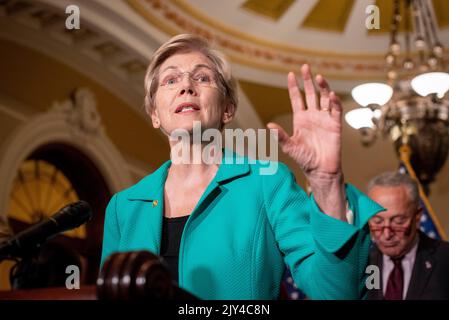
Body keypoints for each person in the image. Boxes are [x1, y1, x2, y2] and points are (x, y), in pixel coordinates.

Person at [100, 34, 383, 300]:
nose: (186, 86)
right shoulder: (122, 207)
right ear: (155, 115)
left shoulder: (268, 183)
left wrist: (327, 181)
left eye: (202, 77)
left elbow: (335, 292)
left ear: (228, 109)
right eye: (170, 80)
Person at [367, 172, 449, 300]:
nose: (387, 235)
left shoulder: (445, 259)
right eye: (378, 221)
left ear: (417, 216)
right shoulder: (360, 262)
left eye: (398, 221)